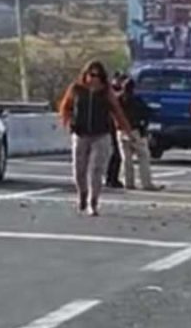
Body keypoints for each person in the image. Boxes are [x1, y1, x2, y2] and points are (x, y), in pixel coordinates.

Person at [59, 61, 132, 216]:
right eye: (91, 75)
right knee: (79, 169)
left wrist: (126, 129)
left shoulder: (106, 92)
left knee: (96, 169)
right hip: (80, 133)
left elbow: (116, 111)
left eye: (98, 76)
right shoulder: (76, 89)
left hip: (101, 134)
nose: (94, 79)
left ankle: (94, 202)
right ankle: (82, 194)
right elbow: (66, 106)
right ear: (85, 75)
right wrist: (68, 120)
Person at [118, 78, 162, 191]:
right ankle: (146, 183)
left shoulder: (118, 99)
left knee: (126, 158)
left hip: (120, 130)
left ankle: (128, 182)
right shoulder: (137, 100)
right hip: (135, 131)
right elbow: (146, 112)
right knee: (143, 156)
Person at [105, 72, 125, 189]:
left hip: (113, 126)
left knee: (116, 154)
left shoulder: (113, 92)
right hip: (111, 126)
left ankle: (112, 178)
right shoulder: (110, 93)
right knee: (116, 154)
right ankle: (111, 178)